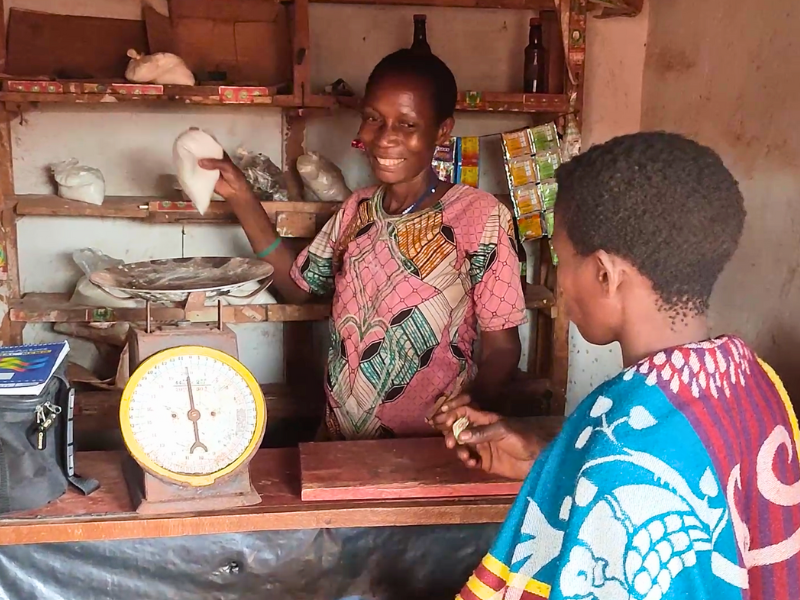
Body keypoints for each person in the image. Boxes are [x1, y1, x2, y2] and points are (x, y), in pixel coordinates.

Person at [435, 132, 800, 599]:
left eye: (562, 259)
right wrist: (552, 462)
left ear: (605, 274)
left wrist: (597, 464)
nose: (562, 283)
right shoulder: (756, 383)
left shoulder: (624, 463)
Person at [200, 49, 526, 440]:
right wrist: (241, 197)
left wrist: (473, 404)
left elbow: (503, 348)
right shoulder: (357, 210)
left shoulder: (480, 218)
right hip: (342, 443)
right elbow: (299, 288)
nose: (385, 138)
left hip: (432, 447)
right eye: (374, 118)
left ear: (442, 131)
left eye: (407, 124)